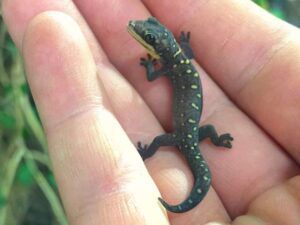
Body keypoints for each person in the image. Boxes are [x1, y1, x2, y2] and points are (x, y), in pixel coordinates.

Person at [3, 0, 300, 224]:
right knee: (175, 139)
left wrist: (149, 67)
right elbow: (182, 59)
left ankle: (148, 154)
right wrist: (216, 138)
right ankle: (164, 151)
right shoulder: (178, 60)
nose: (138, 31)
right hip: (191, 133)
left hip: (187, 135)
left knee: (163, 141)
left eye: (148, 35)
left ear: (160, 47)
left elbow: (152, 78)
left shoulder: (172, 66)